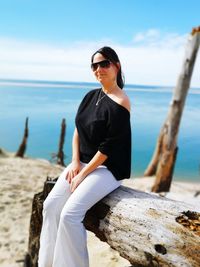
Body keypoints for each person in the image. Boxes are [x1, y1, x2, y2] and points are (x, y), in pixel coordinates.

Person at [38, 46, 132, 267]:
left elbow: (108, 148)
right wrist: (74, 162)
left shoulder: (121, 102)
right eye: (94, 65)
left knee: (70, 215)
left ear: (116, 66)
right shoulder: (90, 96)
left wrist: (83, 174)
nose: (99, 69)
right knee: (50, 206)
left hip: (108, 168)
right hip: (83, 163)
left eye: (104, 63)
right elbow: (78, 129)